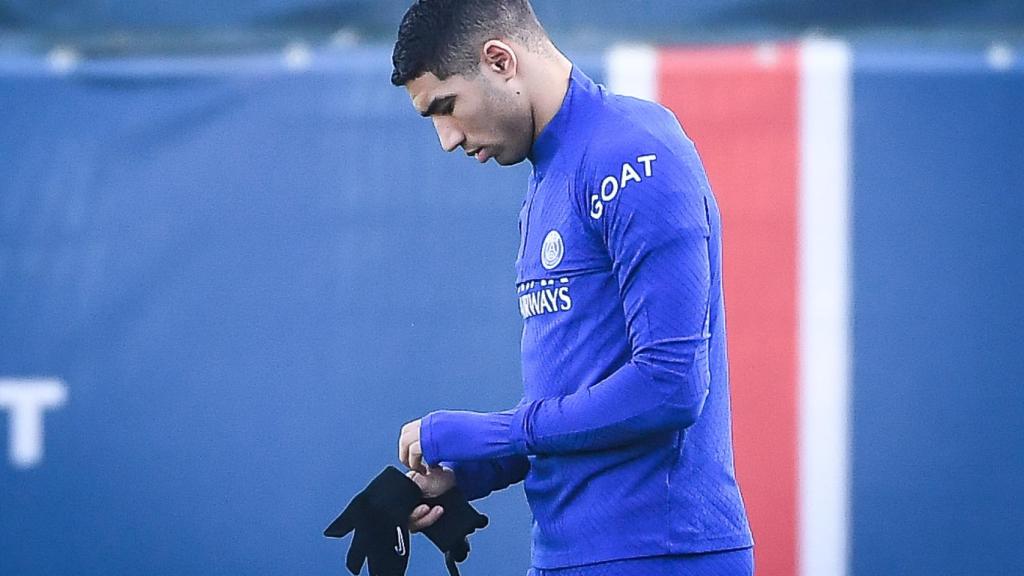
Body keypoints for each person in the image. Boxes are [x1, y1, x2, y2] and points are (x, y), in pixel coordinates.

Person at [390, 1, 754, 574]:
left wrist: (498, 435)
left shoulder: (634, 150)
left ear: (500, 60)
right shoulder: (546, 180)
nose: (446, 138)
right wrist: (466, 474)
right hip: (568, 557)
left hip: (660, 555)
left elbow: (671, 385)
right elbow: (579, 399)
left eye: (447, 106)